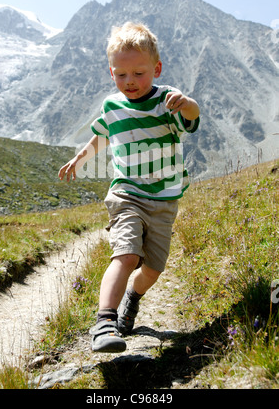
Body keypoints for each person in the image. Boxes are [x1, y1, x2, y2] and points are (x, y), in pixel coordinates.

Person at [58, 22, 200, 353]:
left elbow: (192, 119)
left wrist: (187, 101)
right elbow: (103, 135)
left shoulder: (167, 102)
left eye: (138, 73)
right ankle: (104, 323)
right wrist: (80, 158)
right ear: (112, 73)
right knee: (126, 253)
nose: (130, 81)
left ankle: (132, 299)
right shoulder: (112, 106)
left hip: (164, 200)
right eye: (121, 75)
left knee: (152, 269)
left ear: (156, 69)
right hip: (126, 193)